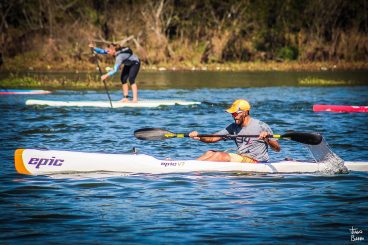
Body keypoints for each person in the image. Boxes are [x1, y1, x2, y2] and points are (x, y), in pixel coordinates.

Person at [189, 99, 280, 163]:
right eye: (232, 113)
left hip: (257, 162)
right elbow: (212, 139)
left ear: (245, 112)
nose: (233, 116)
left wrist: (267, 139)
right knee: (210, 153)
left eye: (236, 113)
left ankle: (195, 168)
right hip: (241, 158)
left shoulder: (261, 126)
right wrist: (199, 136)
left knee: (220, 156)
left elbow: (277, 149)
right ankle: (190, 166)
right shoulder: (233, 127)